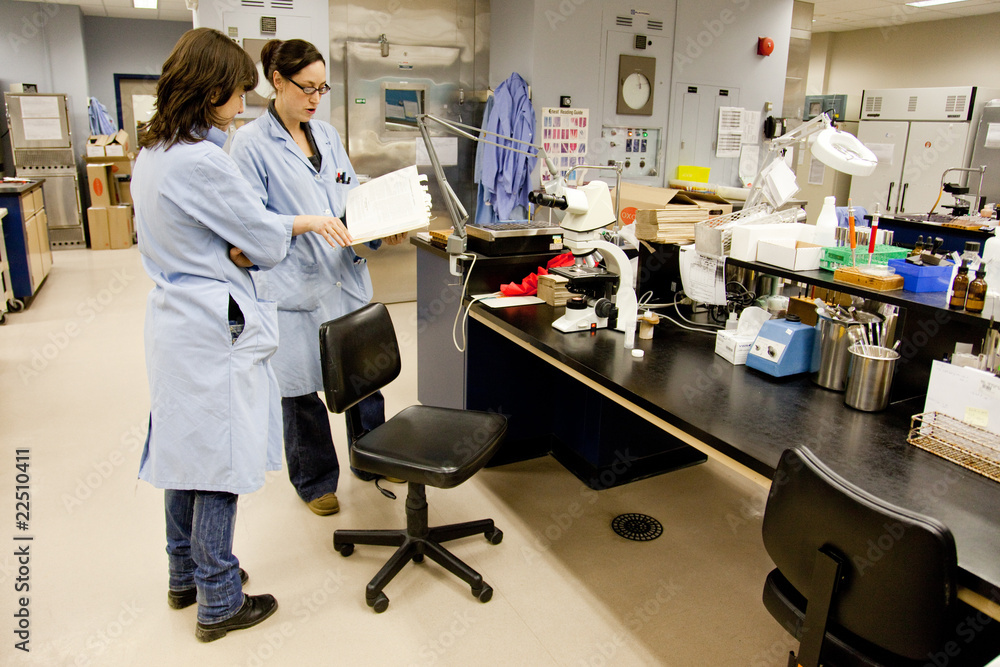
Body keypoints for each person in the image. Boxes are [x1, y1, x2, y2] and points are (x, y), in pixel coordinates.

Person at [132, 28, 351, 642]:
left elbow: (242, 234)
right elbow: (258, 241)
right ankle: (221, 596)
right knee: (220, 461)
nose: (241, 106)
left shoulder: (153, 154)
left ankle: (184, 573)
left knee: (182, 451)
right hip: (213, 324)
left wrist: (262, 233)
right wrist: (276, 233)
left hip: (173, 319)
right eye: (236, 93)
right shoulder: (204, 160)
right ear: (209, 91)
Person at [230, 38, 405, 517]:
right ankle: (314, 480)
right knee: (301, 389)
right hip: (294, 287)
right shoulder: (249, 145)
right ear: (278, 82)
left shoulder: (326, 135)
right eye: (306, 87)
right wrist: (303, 224)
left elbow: (350, 199)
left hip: (345, 278)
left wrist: (377, 230)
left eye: (322, 88)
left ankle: (372, 457)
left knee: (364, 378)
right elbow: (247, 228)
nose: (314, 97)